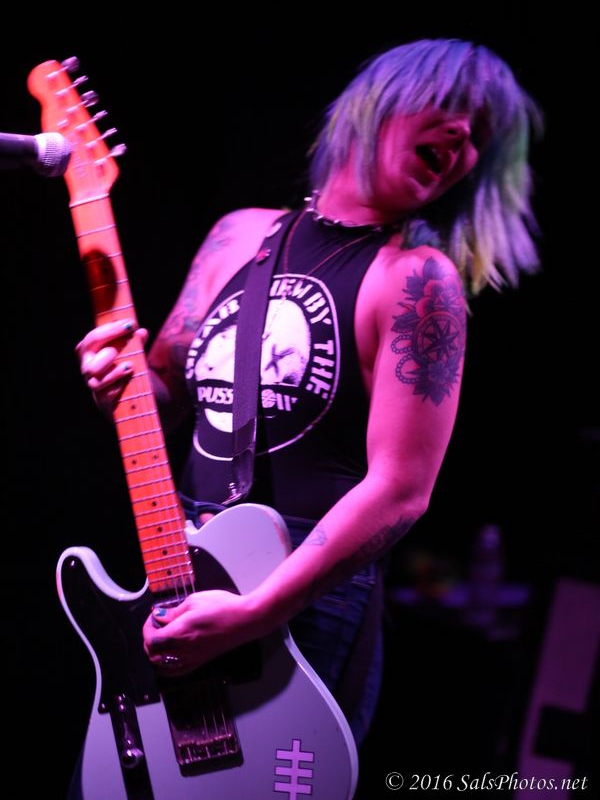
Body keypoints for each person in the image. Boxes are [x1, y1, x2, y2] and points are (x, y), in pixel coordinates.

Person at [76, 37, 542, 746]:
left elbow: (401, 491)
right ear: (378, 102)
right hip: (177, 565)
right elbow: (163, 389)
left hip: (303, 602)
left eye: (479, 134)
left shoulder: (418, 280)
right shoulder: (238, 236)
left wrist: (258, 611)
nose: (461, 137)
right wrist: (114, 380)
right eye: (449, 105)